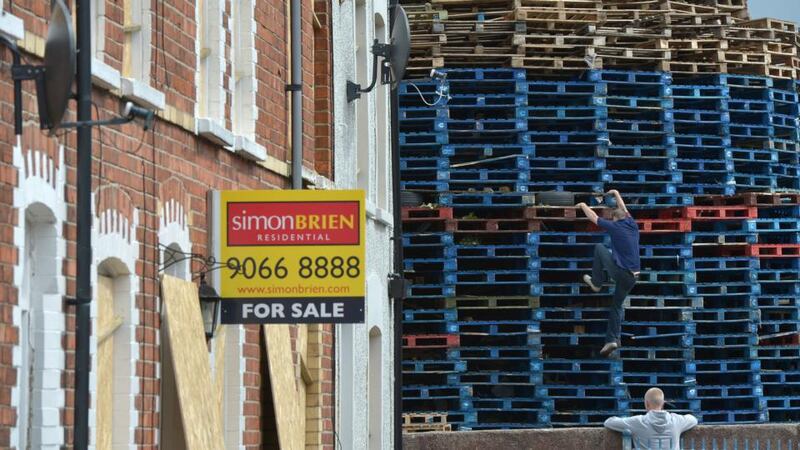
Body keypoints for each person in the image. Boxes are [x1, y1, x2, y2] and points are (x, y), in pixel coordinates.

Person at [575, 189, 640, 357]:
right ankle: (612, 340)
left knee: (599, 247)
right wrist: (617, 193)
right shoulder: (632, 224)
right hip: (634, 277)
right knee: (616, 306)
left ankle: (596, 282)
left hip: (622, 273)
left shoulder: (614, 226)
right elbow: (623, 208)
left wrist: (583, 205)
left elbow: (594, 218)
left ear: (614, 219)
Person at [604, 388, 698, 450]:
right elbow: (693, 419)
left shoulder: (638, 422)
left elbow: (609, 422)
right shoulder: (676, 421)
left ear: (647, 404)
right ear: (663, 404)